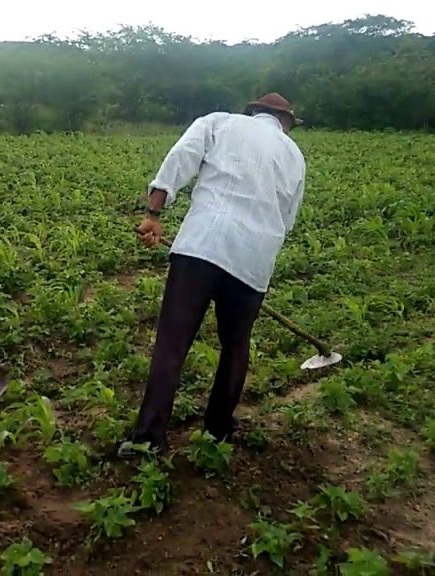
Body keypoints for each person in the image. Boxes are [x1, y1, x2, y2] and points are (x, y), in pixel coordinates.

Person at [118, 93, 307, 458]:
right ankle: (219, 428)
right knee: (235, 346)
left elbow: (179, 161)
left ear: (254, 112)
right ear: (284, 121)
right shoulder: (294, 156)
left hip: (200, 246)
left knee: (172, 343)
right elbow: (287, 218)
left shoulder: (219, 122)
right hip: (253, 258)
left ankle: (147, 438)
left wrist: (153, 215)